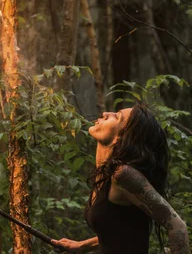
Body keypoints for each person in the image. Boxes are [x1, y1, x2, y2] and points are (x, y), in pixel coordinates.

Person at [51, 104, 190, 253]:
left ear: (121, 137)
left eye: (116, 116)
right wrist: (82, 246)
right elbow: (121, 231)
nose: (105, 113)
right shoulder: (105, 173)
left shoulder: (123, 175)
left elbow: (177, 226)